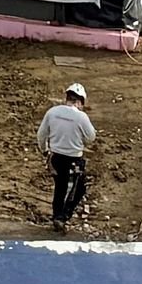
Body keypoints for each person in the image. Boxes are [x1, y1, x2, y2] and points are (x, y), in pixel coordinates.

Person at [39, 82, 96, 227]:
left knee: (60, 187)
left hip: (56, 158)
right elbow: (91, 137)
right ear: (80, 101)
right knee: (77, 189)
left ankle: (57, 215)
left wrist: (45, 150)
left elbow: (41, 134)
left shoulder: (52, 112)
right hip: (74, 159)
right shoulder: (81, 117)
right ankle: (63, 217)